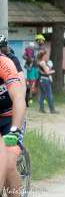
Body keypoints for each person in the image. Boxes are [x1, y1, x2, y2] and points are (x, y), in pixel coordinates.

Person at [0, 54, 26, 197]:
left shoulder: (5, 63)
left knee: (9, 165)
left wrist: (15, 129)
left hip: (10, 118)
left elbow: (18, 98)